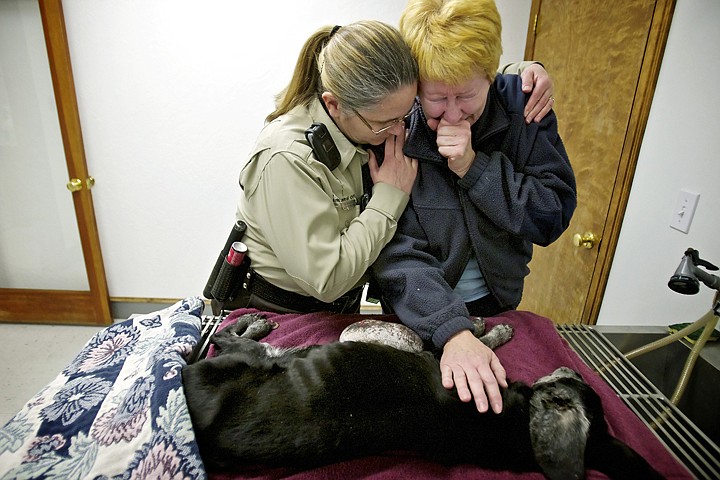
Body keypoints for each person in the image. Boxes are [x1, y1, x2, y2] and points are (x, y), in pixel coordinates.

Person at [223, 18, 555, 316]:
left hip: (346, 310)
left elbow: (447, 65)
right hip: (282, 312)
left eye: (407, 110)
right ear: (334, 105)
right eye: (386, 123)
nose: (400, 130)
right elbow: (328, 280)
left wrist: (519, 75)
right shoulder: (287, 159)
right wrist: (389, 197)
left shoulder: (364, 117)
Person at [372, 0, 577, 415]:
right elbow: (394, 249)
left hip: (498, 305)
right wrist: (450, 331)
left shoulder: (524, 109)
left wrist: (473, 168)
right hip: (415, 309)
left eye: (466, 96)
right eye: (435, 98)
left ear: (491, 74)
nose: (451, 113)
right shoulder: (398, 125)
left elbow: (552, 213)